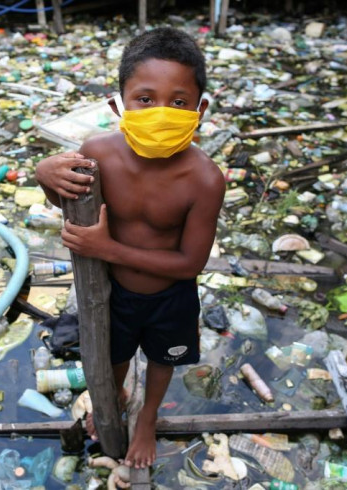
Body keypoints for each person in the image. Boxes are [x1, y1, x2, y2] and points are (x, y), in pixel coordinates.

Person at [35, 27, 225, 469]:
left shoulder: (204, 178)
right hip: (113, 293)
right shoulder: (98, 153)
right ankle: (113, 396)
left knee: (162, 361)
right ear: (117, 104)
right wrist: (45, 175)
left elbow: (190, 263)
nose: (161, 112)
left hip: (171, 296)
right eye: (145, 98)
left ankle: (147, 419)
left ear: (201, 108)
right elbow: (70, 200)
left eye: (179, 102)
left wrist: (108, 249)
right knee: (111, 356)